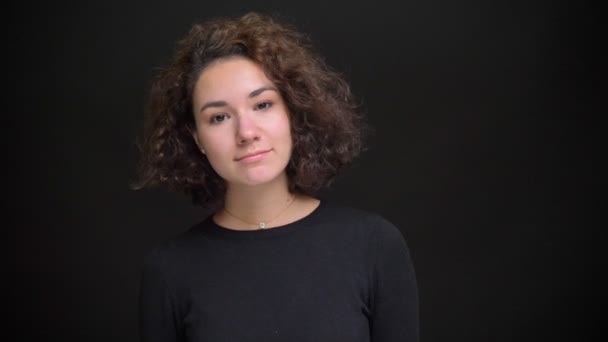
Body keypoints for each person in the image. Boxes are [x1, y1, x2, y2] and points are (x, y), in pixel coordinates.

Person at [133, 12, 419, 342]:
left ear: (292, 111)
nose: (246, 132)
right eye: (219, 117)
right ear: (197, 138)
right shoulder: (169, 272)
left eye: (263, 105)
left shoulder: (374, 246)